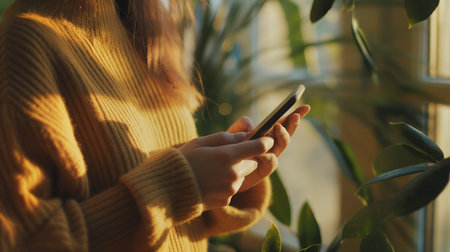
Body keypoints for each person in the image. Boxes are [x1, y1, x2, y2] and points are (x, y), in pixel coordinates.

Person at [0, 0, 310, 251]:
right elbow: (27, 242)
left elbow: (175, 225)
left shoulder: (142, 25)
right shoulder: (23, 42)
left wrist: (224, 176)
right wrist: (181, 185)